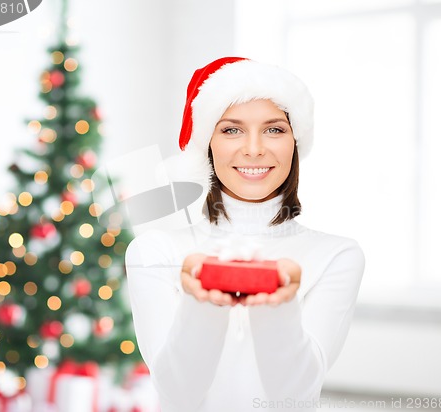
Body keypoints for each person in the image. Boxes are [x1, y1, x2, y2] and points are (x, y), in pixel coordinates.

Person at [125, 57, 365, 412]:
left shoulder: (338, 254)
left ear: (295, 142)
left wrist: (278, 305)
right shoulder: (155, 251)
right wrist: (205, 301)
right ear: (207, 143)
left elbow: (295, 397)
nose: (254, 149)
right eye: (231, 129)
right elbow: (178, 394)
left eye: (274, 129)